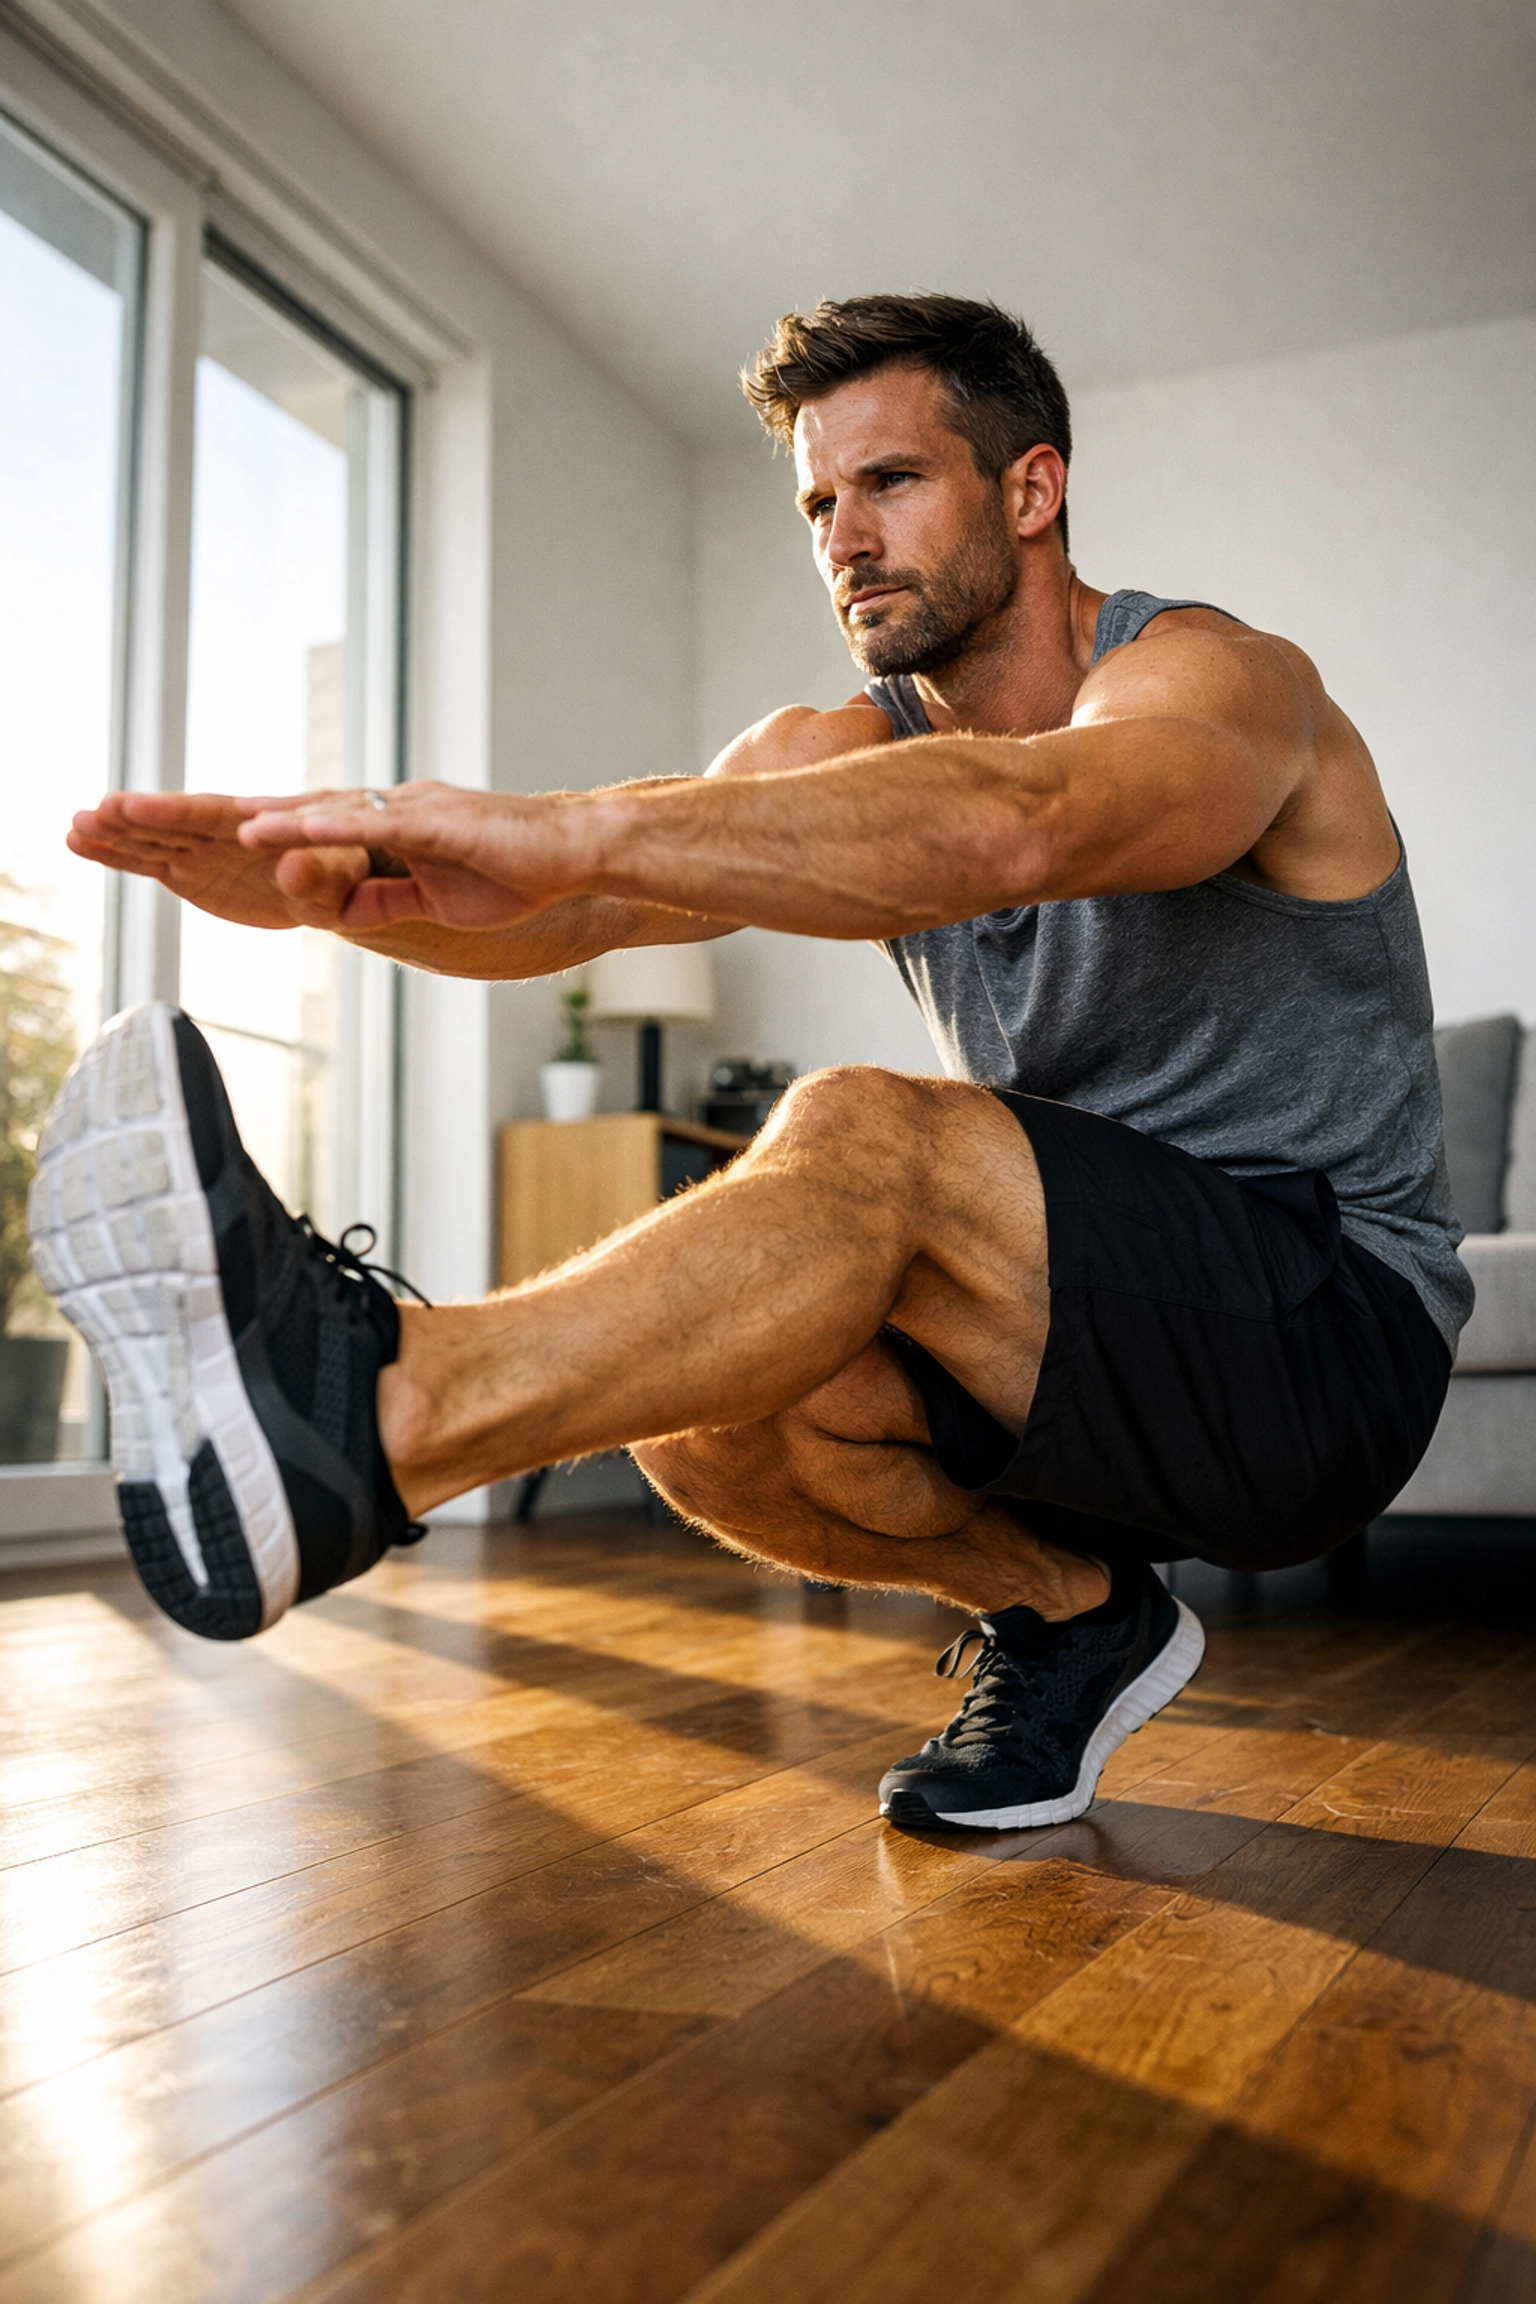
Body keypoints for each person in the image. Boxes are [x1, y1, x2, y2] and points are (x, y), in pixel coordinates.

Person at [32, 294, 1466, 1833]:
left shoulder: (1220, 684)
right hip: (1063, 1339)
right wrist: (356, 898)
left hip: (1326, 1347)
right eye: (818, 501)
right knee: (709, 1391)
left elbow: (1031, 818)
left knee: (863, 1124)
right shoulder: (832, 750)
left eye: (894, 483)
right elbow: (577, 905)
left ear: (1031, 489)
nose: (846, 535)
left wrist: (567, 824)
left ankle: (374, 1417)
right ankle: (1069, 1613)